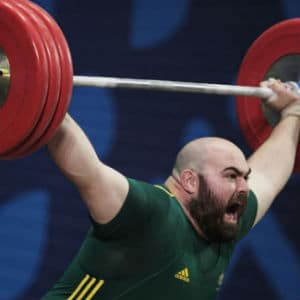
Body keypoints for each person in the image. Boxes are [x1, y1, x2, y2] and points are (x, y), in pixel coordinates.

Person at [42, 78, 300, 300]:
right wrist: (41, 91)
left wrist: (293, 112)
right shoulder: (149, 212)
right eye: (231, 176)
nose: (244, 187)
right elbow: (87, 169)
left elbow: (269, 174)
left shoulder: (222, 224)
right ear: (189, 181)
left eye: (245, 177)